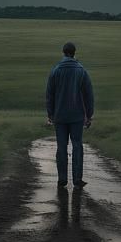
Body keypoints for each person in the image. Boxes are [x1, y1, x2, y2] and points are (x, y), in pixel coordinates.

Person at [45, 41, 95, 189]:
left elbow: (49, 95)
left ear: (63, 52)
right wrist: (89, 115)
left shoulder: (55, 70)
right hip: (77, 116)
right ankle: (77, 179)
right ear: (74, 53)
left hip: (60, 116)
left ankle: (62, 179)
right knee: (77, 145)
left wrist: (50, 114)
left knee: (61, 147)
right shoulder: (81, 70)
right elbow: (89, 95)